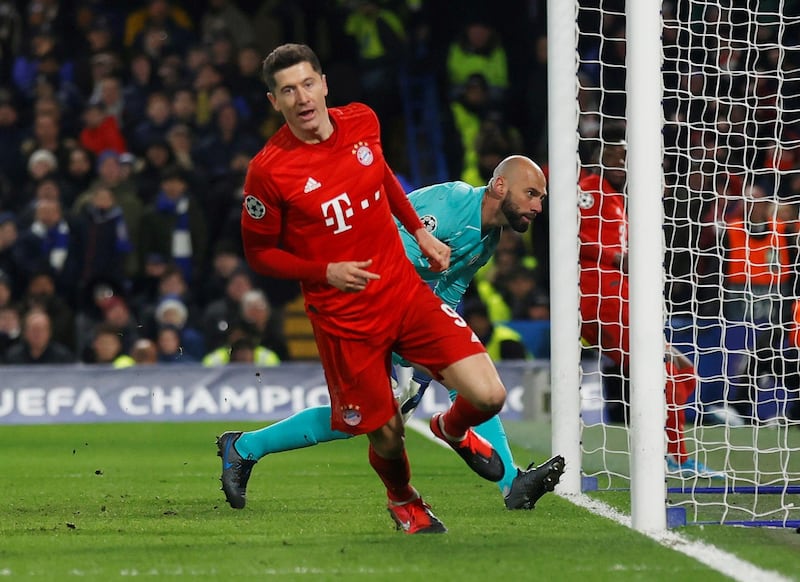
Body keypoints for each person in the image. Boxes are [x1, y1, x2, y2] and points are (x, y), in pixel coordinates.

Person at [219, 43, 515, 535]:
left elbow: (379, 176)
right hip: (343, 319)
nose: (302, 97)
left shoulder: (362, 121)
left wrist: (419, 233)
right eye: (287, 90)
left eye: (308, 83)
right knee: (387, 434)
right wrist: (324, 270)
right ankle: (404, 502)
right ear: (275, 102)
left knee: (489, 394)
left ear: (324, 83)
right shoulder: (268, 171)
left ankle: (452, 429)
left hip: (403, 293)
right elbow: (260, 254)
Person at [218, 153, 563, 514]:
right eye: (532, 194)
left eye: (541, 198)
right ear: (500, 185)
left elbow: (449, 291)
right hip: (353, 299)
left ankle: (512, 482)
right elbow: (392, 255)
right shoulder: (453, 203)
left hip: (393, 307)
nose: (538, 206)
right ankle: (244, 447)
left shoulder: (489, 238)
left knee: (429, 392)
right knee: (369, 415)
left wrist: (431, 355)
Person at [578, 124, 723, 479]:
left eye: (625, 156)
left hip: (621, 295)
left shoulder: (618, 198)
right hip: (601, 295)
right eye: (613, 155)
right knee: (664, 374)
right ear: (600, 159)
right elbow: (570, 239)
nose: (620, 162)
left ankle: (660, 447)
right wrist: (616, 259)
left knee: (683, 369)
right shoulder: (589, 191)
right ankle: (677, 457)